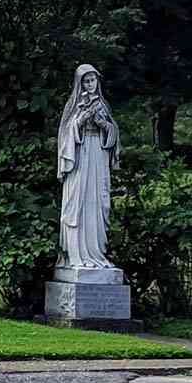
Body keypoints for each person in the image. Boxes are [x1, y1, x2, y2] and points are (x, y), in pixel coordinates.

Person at [57, 64, 120, 269]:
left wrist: (103, 125)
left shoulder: (103, 104)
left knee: (97, 201)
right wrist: (81, 120)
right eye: (86, 81)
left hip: (98, 155)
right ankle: (76, 254)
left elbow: (113, 133)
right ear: (80, 83)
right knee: (78, 201)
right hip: (80, 156)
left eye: (93, 80)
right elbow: (65, 134)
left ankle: (96, 253)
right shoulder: (74, 105)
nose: (90, 84)